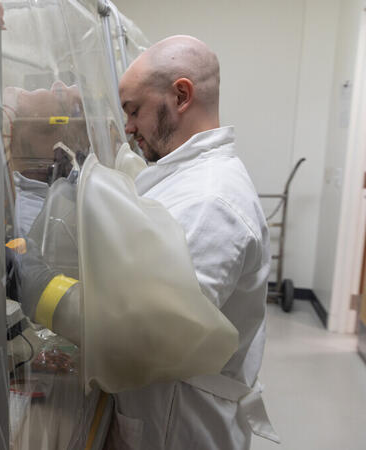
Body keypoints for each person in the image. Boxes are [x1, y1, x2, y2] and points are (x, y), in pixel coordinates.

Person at [109, 35, 272, 450]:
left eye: (134, 110)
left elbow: (153, 335)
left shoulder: (209, 201)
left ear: (181, 95)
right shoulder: (183, 179)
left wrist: (47, 292)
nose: (128, 127)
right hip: (167, 409)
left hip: (182, 423)